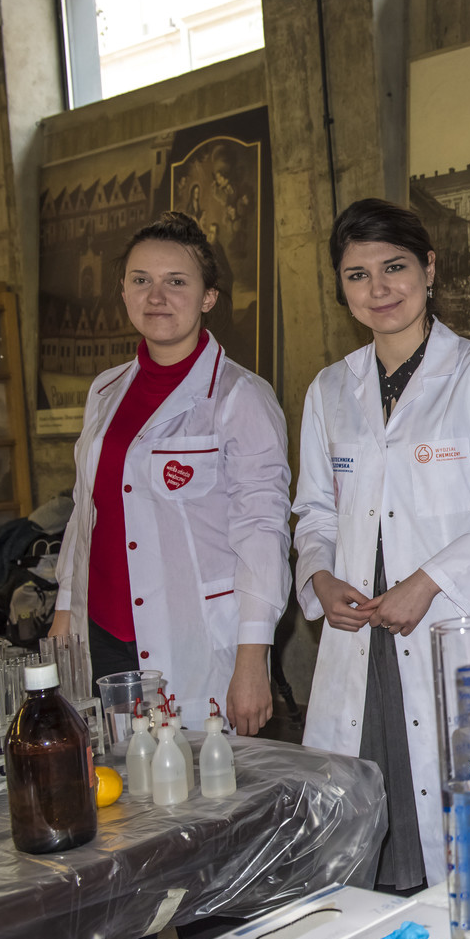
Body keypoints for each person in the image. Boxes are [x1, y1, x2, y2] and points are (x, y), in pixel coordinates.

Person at [294, 198, 470, 893]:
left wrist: (427, 581)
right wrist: (319, 578)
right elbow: (314, 512)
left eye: (395, 267)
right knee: (366, 854)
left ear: (429, 269)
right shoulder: (330, 390)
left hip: (454, 631)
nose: (378, 289)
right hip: (362, 646)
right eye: (357, 275)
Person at [51, 211, 290, 735]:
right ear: (123, 291)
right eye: (141, 280)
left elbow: (262, 532)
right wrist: (65, 614)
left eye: (176, 282)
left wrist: (254, 659)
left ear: (208, 297)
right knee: (114, 776)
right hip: (101, 636)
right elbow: (84, 513)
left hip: (192, 639)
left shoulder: (240, 396)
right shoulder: (105, 391)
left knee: (196, 778)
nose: (156, 296)